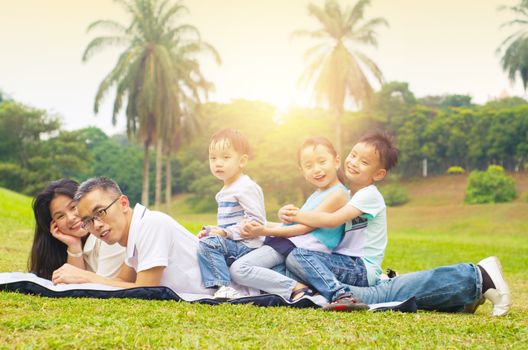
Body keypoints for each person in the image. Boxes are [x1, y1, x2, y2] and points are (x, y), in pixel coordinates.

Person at [278, 132, 398, 310]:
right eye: (353, 155)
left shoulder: (369, 195)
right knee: (288, 264)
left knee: (299, 255)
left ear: (379, 174)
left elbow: (332, 220)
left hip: (362, 267)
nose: (354, 162)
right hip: (342, 261)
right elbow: (312, 222)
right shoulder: (348, 195)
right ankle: (315, 291)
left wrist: (295, 214)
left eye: (364, 162)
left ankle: (341, 294)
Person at [230, 137, 349, 301]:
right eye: (309, 166)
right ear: (302, 171)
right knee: (245, 261)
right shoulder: (317, 194)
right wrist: (261, 224)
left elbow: (304, 229)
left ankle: (297, 288)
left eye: (322, 161)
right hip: (290, 245)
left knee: (239, 269)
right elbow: (295, 224)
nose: (316, 169)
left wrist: (264, 230)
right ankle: (299, 288)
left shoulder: (338, 194)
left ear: (336, 161)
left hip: (297, 248)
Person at [51, 176, 213, 296]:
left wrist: (86, 277)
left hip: (222, 294)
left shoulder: (151, 223)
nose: (97, 225)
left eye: (100, 212)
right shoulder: (133, 236)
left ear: (123, 203)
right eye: (88, 221)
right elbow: (122, 282)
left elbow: (146, 290)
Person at [196, 129, 267, 300]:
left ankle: (224, 287)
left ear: (242, 161)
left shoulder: (245, 187)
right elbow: (227, 226)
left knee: (208, 245)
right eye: (213, 158)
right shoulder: (225, 190)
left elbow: (256, 222)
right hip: (234, 241)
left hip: (248, 245)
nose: (218, 163)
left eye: (225, 157)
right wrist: (212, 230)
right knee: (202, 241)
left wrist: (225, 233)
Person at [28, 179, 125, 280]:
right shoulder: (70, 246)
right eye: (60, 216)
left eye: (73, 207)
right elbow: (74, 288)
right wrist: (74, 245)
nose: (70, 218)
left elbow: (103, 288)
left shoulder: (108, 235)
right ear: (53, 224)